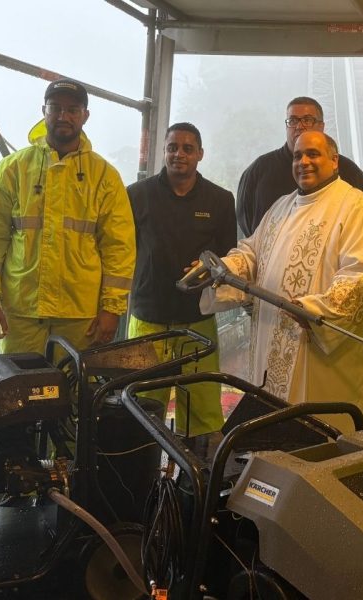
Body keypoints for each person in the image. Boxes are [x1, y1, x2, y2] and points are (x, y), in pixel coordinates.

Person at [202, 131, 363, 433]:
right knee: (272, 440)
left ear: (334, 160)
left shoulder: (356, 207)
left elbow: (360, 273)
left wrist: (316, 310)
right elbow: (251, 252)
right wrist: (224, 268)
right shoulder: (280, 207)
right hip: (270, 341)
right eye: (298, 156)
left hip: (319, 350)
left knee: (320, 442)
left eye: (313, 154)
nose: (304, 162)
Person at [0, 79, 135, 355]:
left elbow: (119, 246)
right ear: (43, 111)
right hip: (22, 311)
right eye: (55, 108)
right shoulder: (13, 169)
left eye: (73, 109)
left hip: (80, 313)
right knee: (17, 392)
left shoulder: (104, 176)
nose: (63, 116)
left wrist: (112, 308)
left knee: (75, 392)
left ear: (85, 115)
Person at [126, 123, 236, 436]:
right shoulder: (137, 195)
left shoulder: (220, 200)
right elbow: (122, 252)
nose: (179, 154)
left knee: (203, 408)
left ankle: (195, 479)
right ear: (163, 151)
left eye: (188, 148)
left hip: (197, 320)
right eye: (172, 147)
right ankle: (142, 479)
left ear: (200, 154)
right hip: (148, 318)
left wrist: (208, 268)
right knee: (143, 404)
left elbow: (229, 256)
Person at [236, 96, 363, 237]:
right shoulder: (259, 170)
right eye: (293, 120)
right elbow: (245, 221)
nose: (299, 126)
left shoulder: (350, 173)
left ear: (322, 126)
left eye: (307, 120)